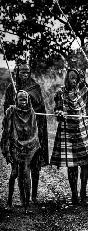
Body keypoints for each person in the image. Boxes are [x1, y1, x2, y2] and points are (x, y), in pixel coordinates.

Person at [3, 63, 49, 205]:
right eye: (23, 72)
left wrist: (29, 100)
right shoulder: (12, 88)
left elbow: (41, 106)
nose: (25, 75)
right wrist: (13, 106)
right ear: (17, 73)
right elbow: (6, 109)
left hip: (34, 130)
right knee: (18, 169)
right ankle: (21, 198)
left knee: (35, 165)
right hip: (17, 133)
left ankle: (33, 195)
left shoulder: (35, 88)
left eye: (28, 72)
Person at [50, 69, 88, 205]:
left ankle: (83, 193)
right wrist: (59, 113)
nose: (73, 80)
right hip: (68, 132)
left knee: (84, 164)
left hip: (82, 131)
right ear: (67, 79)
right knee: (72, 165)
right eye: (71, 78)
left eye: (76, 78)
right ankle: (74, 194)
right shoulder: (60, 93)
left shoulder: (85, 92)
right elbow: (57, 110)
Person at [1, 90, 41, 212]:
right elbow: (6, 131)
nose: (23, 102)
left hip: (28, 148)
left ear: (28, 100)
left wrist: (32, 145)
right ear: (16, 100)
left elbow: (34, 132)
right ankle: (9, 200)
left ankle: (26, 205)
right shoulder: (11, 112)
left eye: (25, 99)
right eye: (20, 99)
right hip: (15, 147)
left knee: (26, 172)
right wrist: (7, 150)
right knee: (14, 174)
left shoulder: (31, 112)